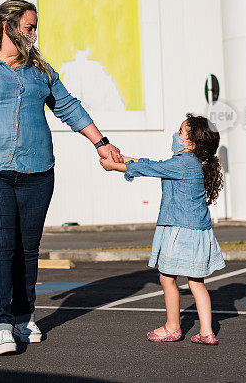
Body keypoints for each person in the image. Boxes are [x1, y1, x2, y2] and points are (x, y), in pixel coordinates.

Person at [0, 0, 122, 355]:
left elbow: (68, 106)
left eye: (35, 28)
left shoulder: (41, 70)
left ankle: (24, 316)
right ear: (7, 26)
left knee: (27, 250)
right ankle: (1, 323)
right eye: (29, 27)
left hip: (36, 171)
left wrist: (102, 143)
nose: (34, 35)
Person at [99, 113, 225, 345]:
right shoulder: (193, 164)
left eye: (180, 132)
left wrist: (115, 167)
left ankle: (172, 327)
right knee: (197, 282)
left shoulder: (180, 164)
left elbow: (151, 169)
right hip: (199, 231)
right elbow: (151, 165)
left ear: (190, 143)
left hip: (179, 230)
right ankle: (207, 332)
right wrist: (120, 157)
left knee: (167, 278)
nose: (175, 135)